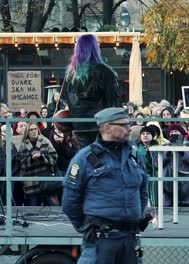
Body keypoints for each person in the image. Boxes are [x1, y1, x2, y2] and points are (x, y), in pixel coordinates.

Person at [62, 107, 149, 264]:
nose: (129, 129)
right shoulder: (84, 158)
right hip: (100, 240)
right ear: (108, 127)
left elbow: (143, 190)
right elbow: (70, 202)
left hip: (130, 240)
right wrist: (86, 227)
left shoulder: (134, 155)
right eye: (123, 125)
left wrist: (136, 215)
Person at [61, 34, 122, 148]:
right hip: (100, 123)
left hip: (80, 125)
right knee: (103, 154)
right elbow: (112, 101)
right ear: (95, 48)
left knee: (87, 155)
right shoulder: (104, 71)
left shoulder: (71, 74)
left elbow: (68, 100)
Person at [16, 122, 59, 206]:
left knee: (52, 208)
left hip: (46, 179)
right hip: (31, 181)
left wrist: (42, 157)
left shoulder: (45, 141)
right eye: (31, 129)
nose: (34, 131)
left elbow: (54, 157)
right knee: (33, 208)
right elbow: (20, 163)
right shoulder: (23, 145)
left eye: (35, 129)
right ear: (27, 132)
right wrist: (31, 159)